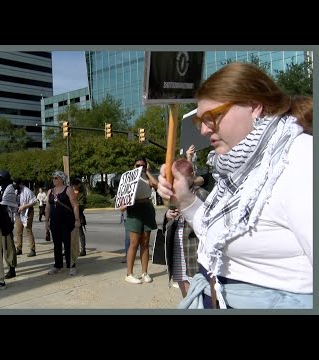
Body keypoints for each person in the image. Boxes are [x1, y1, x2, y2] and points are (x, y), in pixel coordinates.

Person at [157, 62, 312, 309]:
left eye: (213, 117)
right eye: (200, 122)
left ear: (254, 106)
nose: (205, 130)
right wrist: (185, 200)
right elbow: (218, 232)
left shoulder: (300, 158)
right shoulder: (235, 164)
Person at [162, 159, 209, 298]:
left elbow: (209, 227)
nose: (179, 181)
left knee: (198, 294)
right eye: (177, 178)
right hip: (178, 249)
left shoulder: (201, 194)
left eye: (183, 177)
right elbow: (165, 227)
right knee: (184, 289)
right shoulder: (173, 195)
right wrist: (168, 216)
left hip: (193, 251)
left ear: (192, 176)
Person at [124, 157, 159, 284]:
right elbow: (123, 198)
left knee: (145, 242)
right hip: (134, 209)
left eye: (142, 166)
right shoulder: (129, 178)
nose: (140, 167)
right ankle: (129, 273)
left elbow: (156, 185)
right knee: (134, 243)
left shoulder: (147, 177)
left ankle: (145, 272)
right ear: (133, 166)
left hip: (147, 208)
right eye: (137, 165)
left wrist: (148, 172)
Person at [44, 170, 80, 276]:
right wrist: (46, 221)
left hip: (67, 222)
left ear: (61, 179)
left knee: (68, 244)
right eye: (53, 178)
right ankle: (58, 265)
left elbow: (75, 205)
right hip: (55, 222)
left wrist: (77, 220)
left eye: (56, 178)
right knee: (57, 245)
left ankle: (71, 265)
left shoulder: (68, 189)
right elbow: (47, 207)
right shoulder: (50, 191)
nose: (53, 180)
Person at [0, 170, 18, 279]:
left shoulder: (10, 189)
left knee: (8, 245)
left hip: (6, 220)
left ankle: (11, 268)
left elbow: (4, 203)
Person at [13, 179, 37, 257]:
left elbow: (34, 201)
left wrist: (24, 206)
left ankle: (32, 250)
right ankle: (19, 249)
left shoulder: (27, 191)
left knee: (28, 230)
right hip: (18, 213)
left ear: (20, 184)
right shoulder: (15, 191)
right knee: (18, 231)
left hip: (27, 212)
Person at [71, 178, 87, 256]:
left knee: (80, 233)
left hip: (78, 215)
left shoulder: (82, 194)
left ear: (79, 185)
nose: (73, 187)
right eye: (73, 185)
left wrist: (76, 206)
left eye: (75, 185)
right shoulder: (70, 193)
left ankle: (83, 249)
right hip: (70, 215)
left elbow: (82, 204)